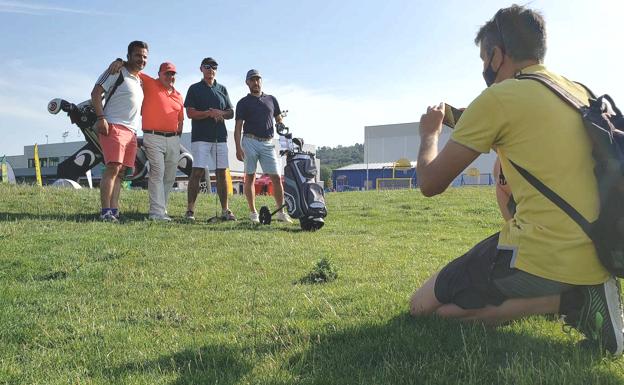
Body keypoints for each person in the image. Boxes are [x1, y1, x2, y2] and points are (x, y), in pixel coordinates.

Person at [409, 5, 624, 355]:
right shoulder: (578, 91)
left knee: (426, 308)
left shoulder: (498, 99)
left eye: (483, 57)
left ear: (496, 54)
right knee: (502, 177)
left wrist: (429, 134)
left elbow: (430, 183)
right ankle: (582, 291)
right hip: (602, 248)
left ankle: (571, 301)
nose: (483, 67)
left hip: (547, 252)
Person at [91, 41, 147, 222]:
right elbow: (95, 93)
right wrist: (101, 119)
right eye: (138, 55)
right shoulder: (116, 71)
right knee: (113, 168)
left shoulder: (140, 79)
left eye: (145, 56)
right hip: (113, 125)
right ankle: (105, 211)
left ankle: (114, 210)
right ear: (129, 56)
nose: (142, 59)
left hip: (131, 131)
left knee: (122, 172)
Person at [234, 69, 292, 224]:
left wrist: (285, 139)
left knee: (276, 177)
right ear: (247, 82)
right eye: (252, 80)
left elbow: (279, 121)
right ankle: (253, 213)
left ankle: (281, 212)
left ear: (261, 81)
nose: (256, 82)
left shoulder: (272, 99)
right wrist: (238, 148)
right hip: (250, 141)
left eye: (258, 79)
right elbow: (238, 127)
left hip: (268, 142)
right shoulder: (243, 103)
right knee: (250, 177)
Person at [184, 57, 235, 221]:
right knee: (197, 172)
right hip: (201, 138)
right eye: (207, 67)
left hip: (220, 137)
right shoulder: (194, 89)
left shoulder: (223, 89)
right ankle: (190, 210)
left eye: (214, 67)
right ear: (201, 69)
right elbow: (190, 113)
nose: (210, 70)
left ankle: (225, 210)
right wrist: (208, 113)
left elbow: (231, 113)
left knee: (221, 172)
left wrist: (221, 113)